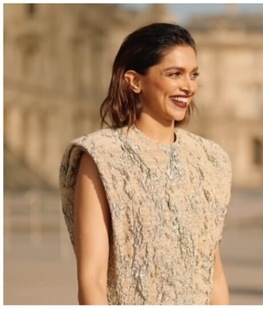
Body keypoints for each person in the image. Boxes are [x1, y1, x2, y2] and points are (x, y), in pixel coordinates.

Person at [59, 23, 232, 305]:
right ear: (134, 81)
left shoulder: (212, 159)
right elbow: (92, 279)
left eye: (193, 74)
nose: (188, 86)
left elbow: (214, 276)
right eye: (174, 74)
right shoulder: (102, 156)